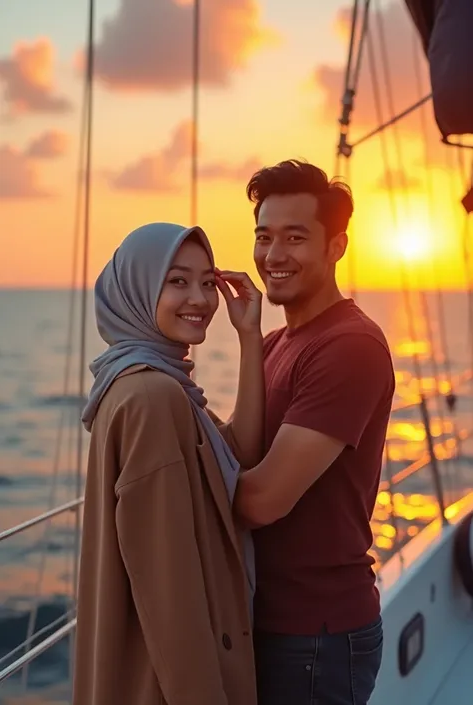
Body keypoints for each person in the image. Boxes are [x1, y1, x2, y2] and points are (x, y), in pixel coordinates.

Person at [72, 222, 264, 705]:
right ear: (137, 288)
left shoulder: (148, 382)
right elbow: (168, 590)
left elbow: (236, 454)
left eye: (206, 281)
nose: (199, 298)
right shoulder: (153, 396)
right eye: (177, 281)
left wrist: (250, 337)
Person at [234, 160, 395, 705]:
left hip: (316, 637)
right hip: (269, 618)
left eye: (295, 238)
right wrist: (248, 337)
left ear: (336, 246)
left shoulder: (350, 346)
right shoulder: (279, 344)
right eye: (264, 237)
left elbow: (261, 500)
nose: (274, 256)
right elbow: (244, 450)